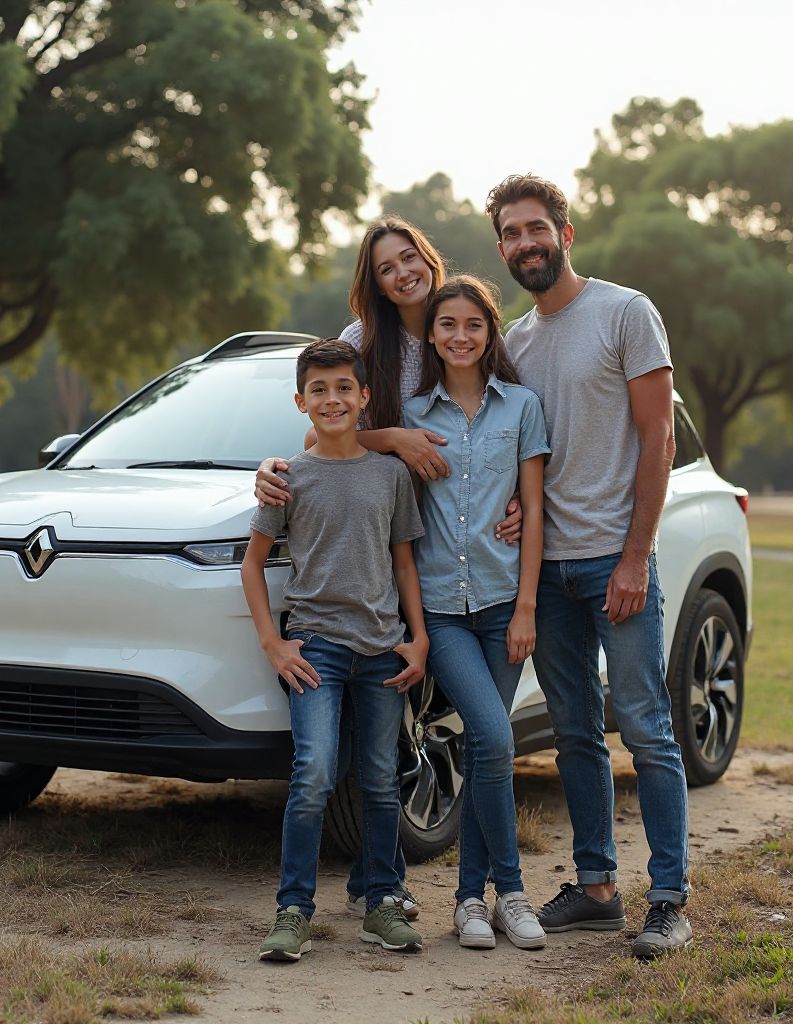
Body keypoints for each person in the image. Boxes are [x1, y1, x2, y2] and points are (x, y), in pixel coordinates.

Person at [254, 218, 522, 920]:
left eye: (410, 257)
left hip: (473, 553)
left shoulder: (463, 324)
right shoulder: (358, 346)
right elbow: (324, 428)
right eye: (385, 267)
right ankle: (351, 889)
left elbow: (509, 422)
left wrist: (522, 495)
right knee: (358, 758)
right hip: (387, 554)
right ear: (370, 283)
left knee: (412, 751)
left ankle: (412, 887)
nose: (402, 272)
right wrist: (395, 437)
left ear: (428, 258)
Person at [485, 174, 692, 958]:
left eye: (536, 228)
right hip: (548, 569)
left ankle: (669, 899)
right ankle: (599, 887)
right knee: (574, 732)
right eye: (510, 233)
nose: (525, 243)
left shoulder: (625, 312)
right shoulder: (516, 342)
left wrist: (636, 556)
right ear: (501, 246)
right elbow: (521, 450)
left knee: (645, 729)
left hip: (616, 559)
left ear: (565, 234)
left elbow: (658, 439)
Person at [241, 338, 428, 961]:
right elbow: (253, 564)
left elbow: (404, 561)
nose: (332, 399)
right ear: (301, 401)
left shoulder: (391, 473)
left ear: (364, 395)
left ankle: (380, 904)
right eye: (318, 390)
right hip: (316, 649)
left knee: (378, 780)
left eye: (344, 387)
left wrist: (418, 637)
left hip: (381, 649)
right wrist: (272, 643)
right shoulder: (289, 479)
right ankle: (293, 910)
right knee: (314, 773)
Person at [402, 275, 550, 951]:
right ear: (431, 336)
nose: (460, 336)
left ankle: (470, 901)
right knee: (493, 738)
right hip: (443, 611)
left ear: (491, 334)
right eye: (447, 325)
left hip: (503, 607)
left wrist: (526, 608)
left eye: (474, 325)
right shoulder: (411, 415)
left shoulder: (520, 407)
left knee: (486, 749)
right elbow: (354, 445)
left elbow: (534, 511)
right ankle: (510, 894)